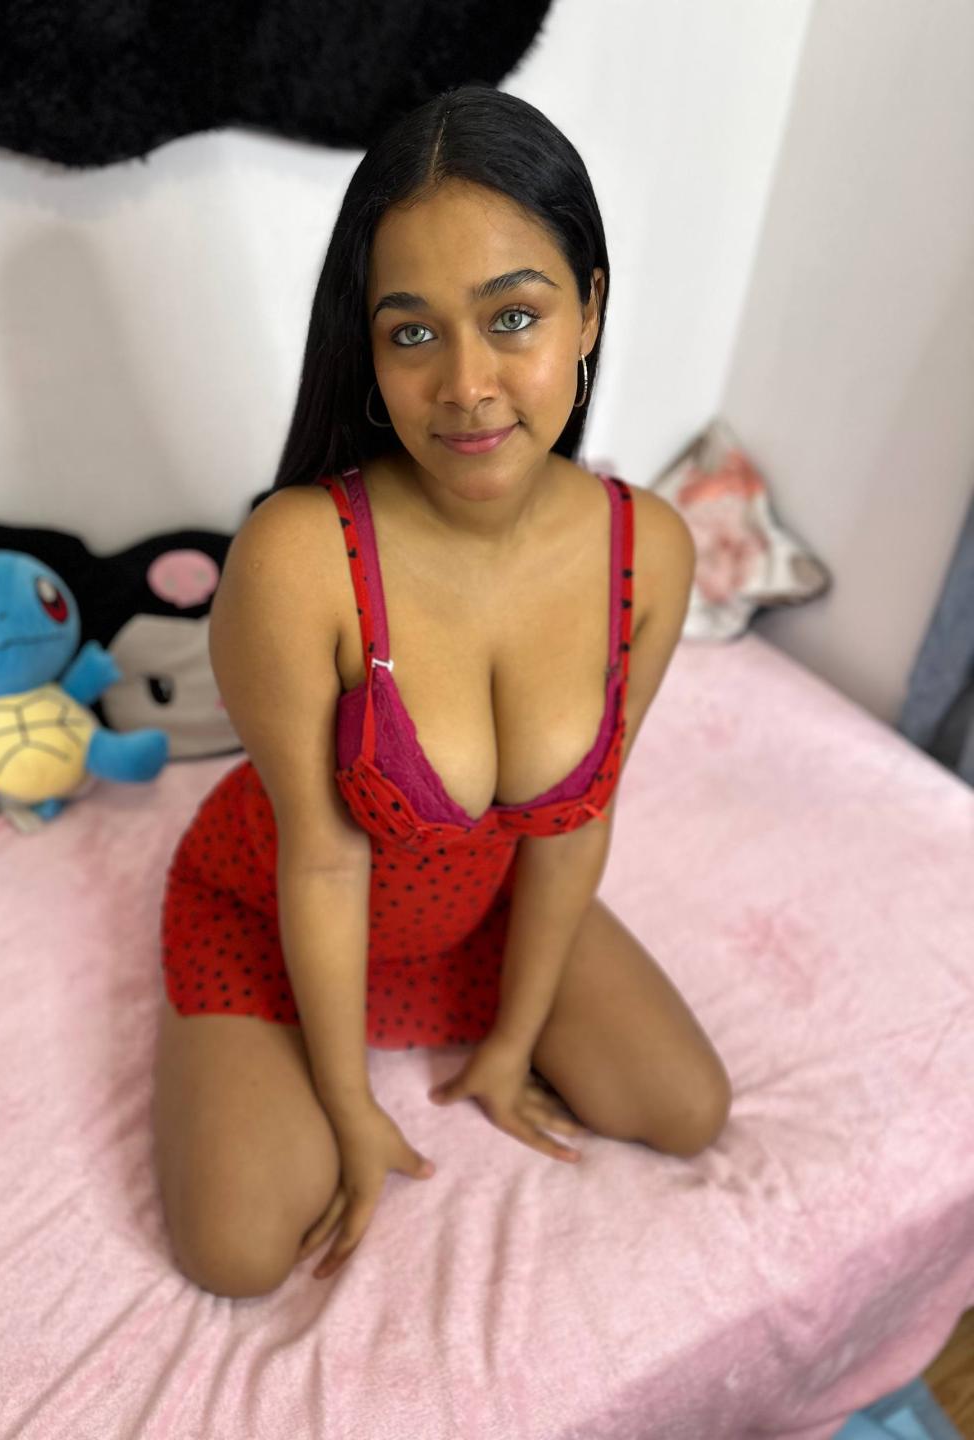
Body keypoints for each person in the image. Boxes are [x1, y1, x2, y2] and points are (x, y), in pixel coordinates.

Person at [150, 82, 731, 1300]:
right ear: (368, 347)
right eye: (413, 334)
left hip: (482, 907)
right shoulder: (301, 559)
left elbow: (573, 826)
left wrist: (513, 1043)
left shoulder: (650, 552)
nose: (466, 385)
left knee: (686, 1108)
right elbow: (321, 862)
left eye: (513, 317)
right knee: (241, 1251)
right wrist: (349, 1102)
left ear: (589, 310)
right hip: (279, 911)